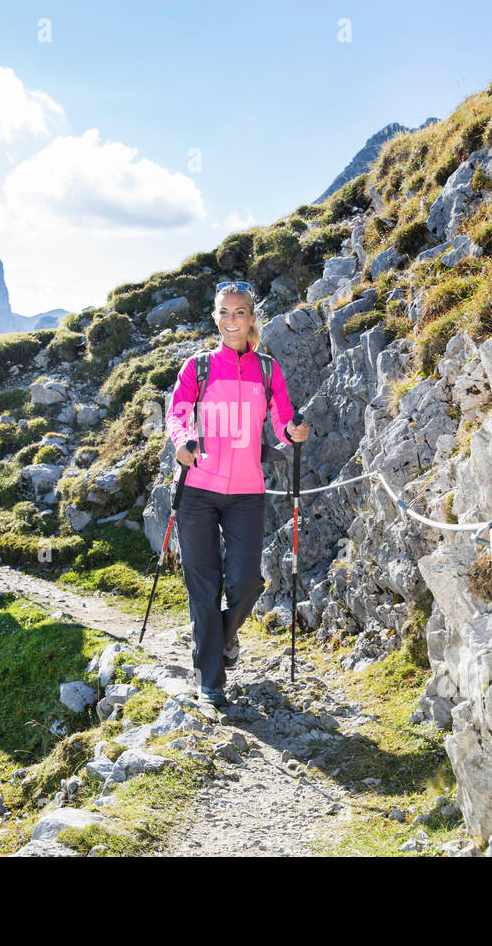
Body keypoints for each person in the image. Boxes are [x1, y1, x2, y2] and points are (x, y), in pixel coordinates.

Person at [164, 281, 309, 707]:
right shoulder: (198, 366)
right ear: (215, 318)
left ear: (251, 318)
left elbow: (283, 420)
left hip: (247, 491)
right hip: (197, 489)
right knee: (203, 586)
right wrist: (183, 441)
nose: (231, 320)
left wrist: (293, 431)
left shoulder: (267, 369)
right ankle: (210, 679)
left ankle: (223, 639)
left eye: (239, 312)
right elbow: (178, 413)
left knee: (247, 583)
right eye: (224, 313)